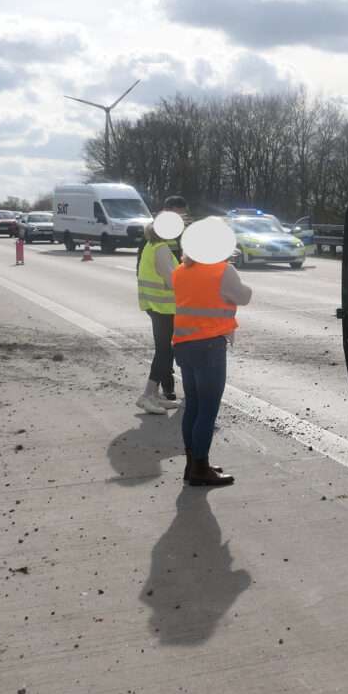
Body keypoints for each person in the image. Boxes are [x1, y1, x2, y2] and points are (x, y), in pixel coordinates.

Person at [172, 218, 251, 487]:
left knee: (193, 406)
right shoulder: (222, 270)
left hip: (183, 344)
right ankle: (200, 468)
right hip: (209, 346)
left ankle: (193, 463)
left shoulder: (181, 270)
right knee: (208, 409)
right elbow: (243, 296)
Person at [135, 195, 189, 415]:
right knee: (165, 352)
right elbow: (173, 280)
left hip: (157, 306)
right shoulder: (162, 249)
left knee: (164, 351)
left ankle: (155, 394)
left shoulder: (153, 243)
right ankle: (147, 394)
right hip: (164, 308)